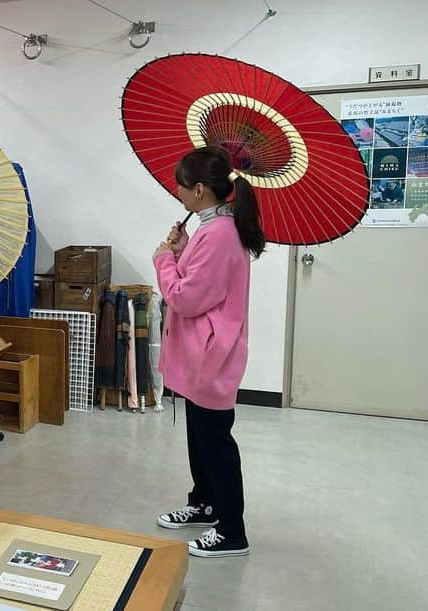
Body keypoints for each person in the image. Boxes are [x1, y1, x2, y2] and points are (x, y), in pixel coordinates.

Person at [152, 147, 265, 558]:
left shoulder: (218, 234)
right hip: (200, 354)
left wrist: (164, 260)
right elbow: (200, 281)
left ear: (199, 190)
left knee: (215, 443)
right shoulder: (212, 228)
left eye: (182, 187)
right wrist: (181, 251)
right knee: (200, 437)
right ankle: (204, 503)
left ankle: (232, 532)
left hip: (210, 356)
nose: (178, 194)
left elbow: (186, 297)